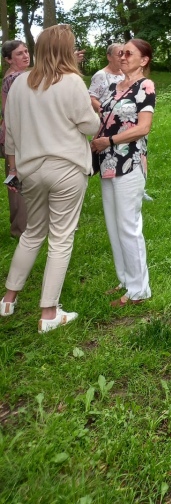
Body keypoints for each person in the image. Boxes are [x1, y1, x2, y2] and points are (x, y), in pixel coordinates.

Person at [0, 25, 100, 332]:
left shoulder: (19, 83)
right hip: (66, 167)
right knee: (61, 238)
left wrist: (13, 166)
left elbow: (10, 131)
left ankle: (7, 300)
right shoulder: (71, 81)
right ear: (65, 50)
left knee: (32, 233)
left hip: (30, 169)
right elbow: (90, 126)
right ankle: (49, 313)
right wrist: (94, 111)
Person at [91, 39, 156, 308]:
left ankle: (139, 290)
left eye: (129, 53)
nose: (123, 56)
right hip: (107, 163)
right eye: (121, 52)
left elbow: (143, 128)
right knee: (113, 224)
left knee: (129, 226)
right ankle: (125, 280)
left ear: (144, 60)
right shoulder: (111, 87)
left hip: (129, 162)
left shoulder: (145, 86)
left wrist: (109, 141)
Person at [0, 40, 31, 236]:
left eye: (26, 51)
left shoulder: (14, 76)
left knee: (19, 181)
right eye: (20, 53)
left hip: (15, 135)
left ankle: (21, 226)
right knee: (18, 182)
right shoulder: (15, 78)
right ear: (8, 59)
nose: (26, 55)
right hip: (16, 137)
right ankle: (20, 229)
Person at [88, 43, 124, 113]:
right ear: (109, 57)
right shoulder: (101, 75)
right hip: (107, 117)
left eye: (124, 55)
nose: (122, 58)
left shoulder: (125, 74)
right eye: (119, 55)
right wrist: (107, 112)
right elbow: (91, 99)